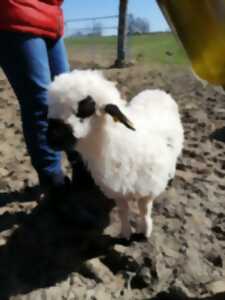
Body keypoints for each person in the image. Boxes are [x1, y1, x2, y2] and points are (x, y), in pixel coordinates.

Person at [0, 0, 91, 198]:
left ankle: (80, 166)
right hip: (14, 13)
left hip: (50, 17)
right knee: (41, 103)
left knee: (68, 97)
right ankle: (53, 181)